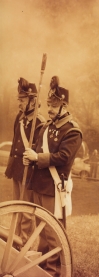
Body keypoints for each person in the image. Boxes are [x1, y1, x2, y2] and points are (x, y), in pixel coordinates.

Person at [23, 76, 82, 277]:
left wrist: (37, 157)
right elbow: (37, 149)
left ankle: (53, 271)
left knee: (52, 232)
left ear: (64, 106)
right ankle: (41, 266)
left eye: (54, 105)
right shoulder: (47, 126)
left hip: (54, 186)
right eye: (48, 104)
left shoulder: (73, 131)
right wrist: (30, 158)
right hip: (39, 184)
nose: (49, 109)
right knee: (42, 231)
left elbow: (63, 157)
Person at [5, 77, 46, 247]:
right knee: (16, 207)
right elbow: (15, 143)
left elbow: (41, 151)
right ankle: (15, 240)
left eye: (22, 100)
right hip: (17, 169)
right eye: (19, 100)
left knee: (27, 213)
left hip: (30, 172)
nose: (19, 103)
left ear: (32, 101)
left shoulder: (40, 122)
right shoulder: (20, 118)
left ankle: (24, 245)